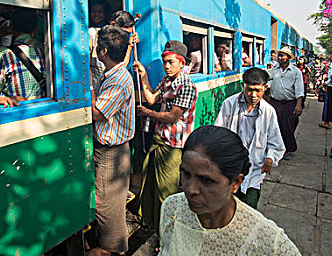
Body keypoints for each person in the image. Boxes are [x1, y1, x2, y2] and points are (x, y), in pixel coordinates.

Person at [158, 126, 301, 255]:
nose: (190, 189)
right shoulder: (172, 208)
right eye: (186, 174)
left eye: (206, 180)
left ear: (236, 183)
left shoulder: (268, 242)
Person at [133, 40, 197, 232]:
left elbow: (172, 117)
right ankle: (153, 222)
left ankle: (168, 233)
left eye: (171, 62)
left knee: (165, 191)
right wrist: (144, 76)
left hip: (173, 146)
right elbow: (152, 98)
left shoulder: (186, 85)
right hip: (160, 138)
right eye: (165, 62)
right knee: (151, 183)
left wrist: (148, 112)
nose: (167, 66)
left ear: (182, 63)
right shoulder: (166, 81)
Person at [87, 25, 135, 256]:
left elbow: (97, 113)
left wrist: (86, 79)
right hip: (109, 150)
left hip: (111, 153)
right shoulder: (113, 74)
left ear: (103, 51)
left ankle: (113, 250)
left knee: (107, 208)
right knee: (109, 205)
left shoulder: (118, 80)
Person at [214, 68, 285, 209]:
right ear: (242, 86)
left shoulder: (269, 111)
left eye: (258, 90)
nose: (253, 95)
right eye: (249, 90)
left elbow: (275, 142)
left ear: (265, 88)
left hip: (255, 169)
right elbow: (219, 132)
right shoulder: (229, 104)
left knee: (249, 207)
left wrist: (270, 158)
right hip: (231, 165)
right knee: (226, 207)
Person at [0, 8, 46, 99]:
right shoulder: (46, 51)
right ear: (35, 30)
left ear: (11, 28)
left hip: (15, 108)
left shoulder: (2, 54)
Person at [268, 47, 304, 159]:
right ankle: (275, 148)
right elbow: (267, 80)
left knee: (289, 126)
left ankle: (287, 149)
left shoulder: (295, 72)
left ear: (288, 58)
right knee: (275, 126)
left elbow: (299, 89)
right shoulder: (274, 70)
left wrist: (299, 105)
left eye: (283, 55)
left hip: (290, 103)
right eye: (279, 55)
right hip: (276, 102)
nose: (280, 57)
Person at [89, 10, 138, 86]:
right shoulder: (93, 34)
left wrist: (130, 46)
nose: (125, 37)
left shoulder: (120, 43)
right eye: (124, 33)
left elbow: (120, 67)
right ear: (113, 25)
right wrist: (91, 89)